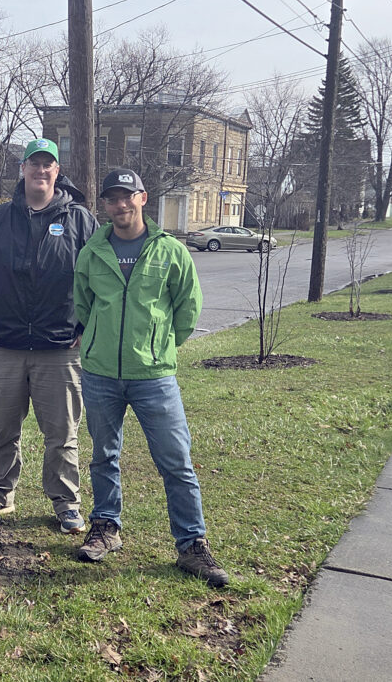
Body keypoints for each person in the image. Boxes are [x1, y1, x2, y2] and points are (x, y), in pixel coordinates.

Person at [72, 168, 228, 587]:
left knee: (176, 462)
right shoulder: (92, 251)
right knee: (103, 456)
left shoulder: (170, 251)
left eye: (128, 195)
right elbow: (83, 305)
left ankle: (192, 545)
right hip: (100, 373)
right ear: (105, 205)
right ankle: (106, 527)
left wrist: (160, 347)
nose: (120, 204)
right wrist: (99, 342)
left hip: (154, 376)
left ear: (143, 198)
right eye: (112, 198)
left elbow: (187, 307)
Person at [0, 138, 98, 534]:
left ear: (57, 171)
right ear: (22, 169)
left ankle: (67, 503)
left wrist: (84, 328)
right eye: (33, 163)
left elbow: (101, 283)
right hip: (2, 347)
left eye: (47, 164)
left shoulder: (80, 221)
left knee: (62, 435)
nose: (40, 170)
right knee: (2, 431)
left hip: (60, 350)